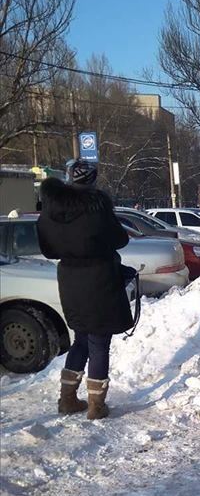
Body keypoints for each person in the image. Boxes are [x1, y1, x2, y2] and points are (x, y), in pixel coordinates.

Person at [37, 160, 133, 420]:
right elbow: (120, 239)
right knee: (99, 342)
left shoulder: (50, 209)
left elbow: (48, 249)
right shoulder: (97, 208)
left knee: (80, 339)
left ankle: (67, 399)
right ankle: (96, 406)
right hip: (99, 280)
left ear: (69, 177)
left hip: (69, 280)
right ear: (92, 179)